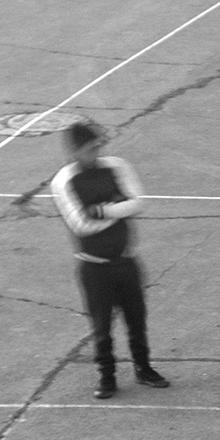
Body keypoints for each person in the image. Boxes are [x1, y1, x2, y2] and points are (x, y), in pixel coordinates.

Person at [49, 121, 168, 400]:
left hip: (126, 260)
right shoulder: (64, 181)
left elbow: (138, 202)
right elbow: (80, 225)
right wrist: (118, 209)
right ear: (75, 151)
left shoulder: (117, 166)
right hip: (94, 266)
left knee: (136, 319)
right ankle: (107, 377)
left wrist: (101, 211)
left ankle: (144, 368)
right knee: (101, 326)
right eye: (90, 148)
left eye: (98, 146)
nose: (97, 152)